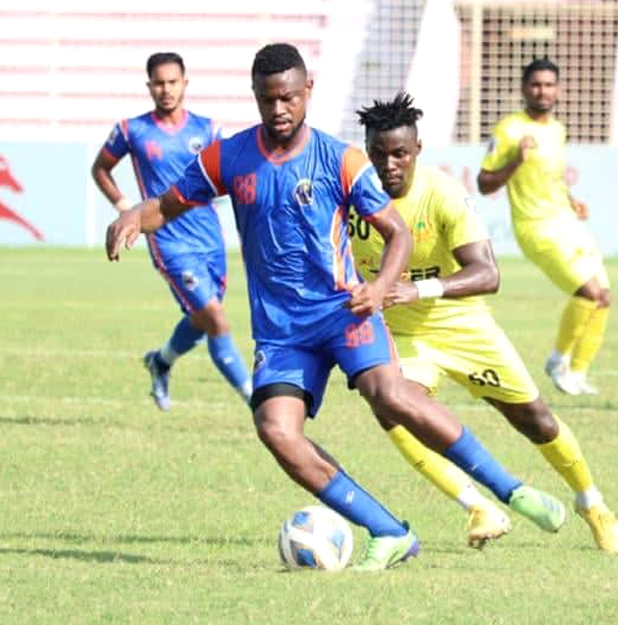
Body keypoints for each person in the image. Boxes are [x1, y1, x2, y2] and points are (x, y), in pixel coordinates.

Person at [106, 43, 566, 571]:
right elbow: (168, 205)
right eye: (267, 99)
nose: (279, 109)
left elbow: (397, 234)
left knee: (390, 395)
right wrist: (133, 218)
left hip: (344, 313)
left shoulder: (340, 159)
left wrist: (381, 286)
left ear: (307, 92)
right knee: (276, 430)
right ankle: (389, 532)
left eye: (288, 98)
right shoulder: (227, 157)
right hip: (281, 332)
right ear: (255, 96)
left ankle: (511, 490)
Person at [353, 92, 618, 553]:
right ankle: (479, 507)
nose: (389, 164)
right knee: (393, 410)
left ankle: (593, 505)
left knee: (535, 420)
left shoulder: (442, 193)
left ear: (417, 149)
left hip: (463, 326)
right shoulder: (352, 199)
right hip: (401, 332)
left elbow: (487, 274)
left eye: (399, 153)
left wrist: (420, 289)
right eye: (378, 153)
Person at [91, 52, 252, 410]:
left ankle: (160, 361)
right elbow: (100, 169)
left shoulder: (208, 130)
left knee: (201, 319)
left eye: (172, 82)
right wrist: (125, 208)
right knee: (215, 318)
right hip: (168, 240)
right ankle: (257, 401)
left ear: (185, 83)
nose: (166, 89)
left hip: (209, 237)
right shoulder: (132, 130)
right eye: (159, 83)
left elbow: (230, 177)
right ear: (149, 86)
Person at [477, 57, 610, 397]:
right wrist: (515, 161)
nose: (542, 91)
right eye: (536, 84)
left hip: (566, 222)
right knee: (588, 292)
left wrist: (571, 199)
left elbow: (553, 177)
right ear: (524, 88)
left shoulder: (557, 130)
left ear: (558, 90)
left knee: (603, 298)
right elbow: (484, 183)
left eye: (549, 85)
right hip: (536, 228)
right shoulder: (509, 130)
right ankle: (558, 359)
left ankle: (577, 373)